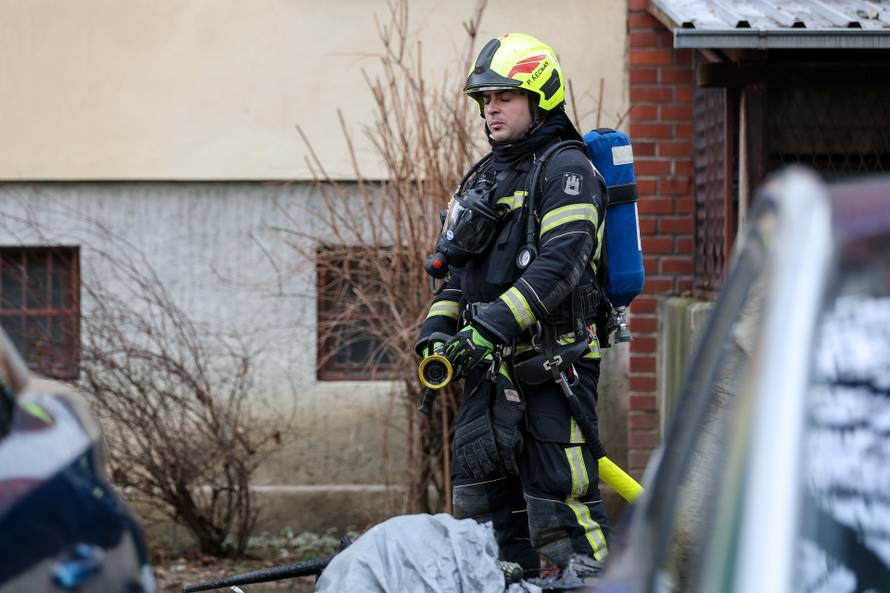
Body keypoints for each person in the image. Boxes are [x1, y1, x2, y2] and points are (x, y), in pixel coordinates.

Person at [416, 33, 610, 573]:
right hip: (487, 378)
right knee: (486, 525)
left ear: (540, 97)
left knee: (562, 512)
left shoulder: (567, 170)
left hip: (554, 371)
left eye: (504, 96)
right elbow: (455, 276)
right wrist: (437, 332)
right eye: (485, 100)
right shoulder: (484, 175)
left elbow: (560, 267)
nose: (491, 108)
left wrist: (488, 330)